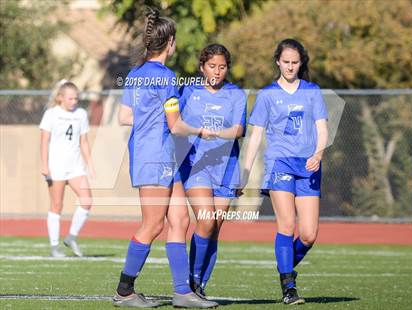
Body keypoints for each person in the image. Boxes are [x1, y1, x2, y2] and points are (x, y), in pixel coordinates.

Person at [113, 7, 218, 308]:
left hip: (157, 155)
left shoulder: (134, 75)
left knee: (180, 219)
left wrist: (151, 117)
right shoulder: (167, 77)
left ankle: (182, 292)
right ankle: (124, 290)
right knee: (153, 224)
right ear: (169, 42)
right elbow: (175, 125)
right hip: (156, 156)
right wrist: (201, 131)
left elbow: (124, 116)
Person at [240, 38, 328, 305]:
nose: (290, 67)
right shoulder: (267, 94)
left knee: (309, 234)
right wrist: (244, 173)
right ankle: (288, 285)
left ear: (301, 64)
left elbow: (322, 129)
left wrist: (319, 153)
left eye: (295, 62)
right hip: (280, 163)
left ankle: (286, 265)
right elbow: (255, 137)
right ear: (278, 61)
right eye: (286, 62)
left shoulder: (312, 91)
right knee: (287, 224)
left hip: (309, 164)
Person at [173, 44, 247, 298]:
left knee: (215, 226)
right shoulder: (188, 91)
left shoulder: (236, 95)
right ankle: (192, 281)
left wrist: (215, 133)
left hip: (227, 167)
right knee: (205, 219)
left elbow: (238, 130)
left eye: (222, 67)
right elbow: (175, 124)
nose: (217, 71)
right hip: (196, 165)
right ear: (202, 67)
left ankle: (201, 285)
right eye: (212, 66)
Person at [39, 80, 94, 258]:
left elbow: (84, 142)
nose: (74, 102)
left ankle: (71, 237)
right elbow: (44, 141)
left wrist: (90, 164)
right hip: (56, 166)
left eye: (76, 99)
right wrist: (45, 165)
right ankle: (55, 246)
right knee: (57, 205)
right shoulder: (51, 114)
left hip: (76, 166)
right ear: (61, 98)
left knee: (86, 200)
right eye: (70, 98)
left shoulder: (81, 114)